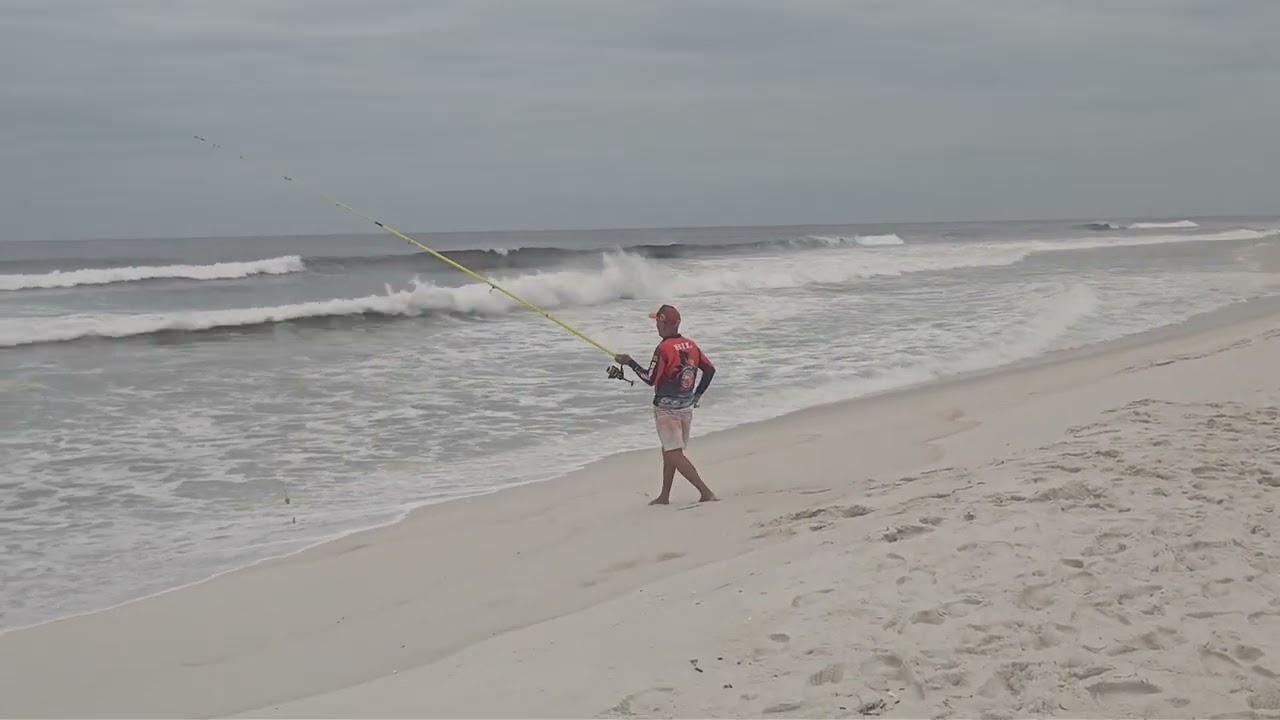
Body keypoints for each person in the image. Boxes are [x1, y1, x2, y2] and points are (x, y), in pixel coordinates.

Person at [614, 304, 718, 505]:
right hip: (686, 407)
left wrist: (630, 362)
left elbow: (650, 378)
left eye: (657, 321)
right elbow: (710, 370)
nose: (656, 325)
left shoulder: (663, 349)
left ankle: (706, 492)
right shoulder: (690, 344)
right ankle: (664, 496)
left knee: (673, 453)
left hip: (666, 409)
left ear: (663, 323)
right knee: (669, 451)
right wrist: (696, 396)